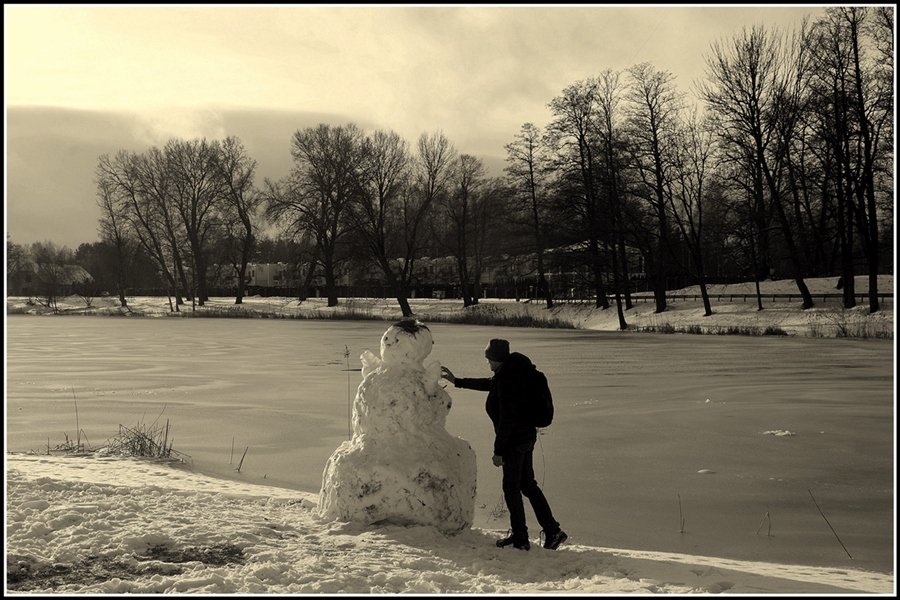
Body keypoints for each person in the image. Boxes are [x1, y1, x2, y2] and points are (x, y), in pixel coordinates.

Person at [441, 338, 567, 551]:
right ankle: (553, 531)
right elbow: (490, 384)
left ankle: (520, 538)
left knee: (511, 488)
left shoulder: (508, 380)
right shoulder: (514, 371)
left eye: (489, 359)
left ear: (496, 358)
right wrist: (458, 381)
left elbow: (507, 419)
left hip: (514, 442)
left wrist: (498, 452)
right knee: (527, 485)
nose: (487, 363)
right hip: (526, 438)